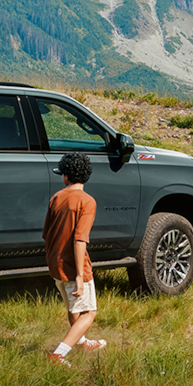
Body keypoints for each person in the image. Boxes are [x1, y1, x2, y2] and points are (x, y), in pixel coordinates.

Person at [42, 152, 107, 367]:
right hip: (74, 265)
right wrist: (80, 275)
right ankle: (58, 354)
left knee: (74, 309)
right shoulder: (87, 202)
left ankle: (82, 343)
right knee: (89, 312)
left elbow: (47, 234)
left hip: (55, 263)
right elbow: (80, 240)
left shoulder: (56, 198)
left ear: (66, 176)